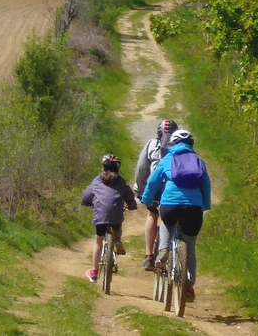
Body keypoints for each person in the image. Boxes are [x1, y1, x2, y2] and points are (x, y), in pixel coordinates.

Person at [140, 129, 211, 303]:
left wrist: (146, 199)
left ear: (173, 143)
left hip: (170, 205)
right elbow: (206, 185)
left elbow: (153, 182)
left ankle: (163, 249)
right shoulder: (199, 161)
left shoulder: (167, 160)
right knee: (190, 246)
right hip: (193, 208)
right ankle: (189, 284)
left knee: (167, 223)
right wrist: (205, 205)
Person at [80, 154, 137, 283]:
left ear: (103, 168)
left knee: (98, 242)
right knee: (117, 224)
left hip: (100, 215)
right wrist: (131, 206)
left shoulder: (97, 181)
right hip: (116, 214)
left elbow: (86, 196)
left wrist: (88, 203)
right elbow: (129, 197)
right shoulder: (121, 182)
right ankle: (117, 239)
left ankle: (94, 271)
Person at [133, 118, 178, 271]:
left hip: (156, 189)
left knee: (153, 215)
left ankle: (149, 256)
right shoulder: (181, 147)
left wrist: (140, 189)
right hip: (176, 189)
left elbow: (141, 168)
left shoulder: (152, 145)